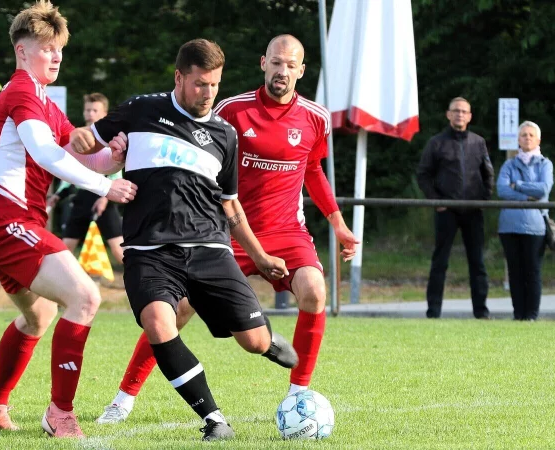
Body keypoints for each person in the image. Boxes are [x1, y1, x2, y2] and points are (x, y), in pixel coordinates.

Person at [94, 34, 359, 426]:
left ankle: (299, 394)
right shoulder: (231, 110)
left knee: (315, 292)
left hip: (286, 229)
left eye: (290, 65)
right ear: (263, 63)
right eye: (276, 62)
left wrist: (338, 224)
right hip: (224, 230)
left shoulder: (315, 118)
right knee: (175, 311)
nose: (282, 71)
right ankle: (124, 397)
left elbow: (314, 170)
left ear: (301, 70)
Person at [69, 38, 299, 441]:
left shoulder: (225, 135)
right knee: (159, 323)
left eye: (214, 84)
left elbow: (230, 205)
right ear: (179, 78)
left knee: (253, 341)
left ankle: (266, 342)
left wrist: (260, 256)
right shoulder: (141, 109)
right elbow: (86, 146)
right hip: (148, 250)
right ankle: (214, 419)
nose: (208, 93)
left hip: (210, 249)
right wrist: (81, 140)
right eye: (199, 84)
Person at [0, 1, 136, 438]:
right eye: (46, 48)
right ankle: (60, 413)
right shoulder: (21, 92)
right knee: (86, 297)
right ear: (21, 51)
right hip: (6, 224)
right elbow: (44, 153)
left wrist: (114, 159)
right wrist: (104, 186)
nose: (56, 56)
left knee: (39, 316)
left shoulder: (44, 101)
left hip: (5, 226)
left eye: (59, 48)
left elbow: (80, 158)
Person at [416, 97, 494, 319]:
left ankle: (481, 312)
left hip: (473, 211)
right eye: (456, 111)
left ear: (469, 116)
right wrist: (436, 201)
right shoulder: (436, 143)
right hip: (446, 210)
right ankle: (433, 312)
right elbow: (423, 175)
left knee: (477, 262)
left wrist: (484, 199)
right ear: (448, 114)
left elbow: (488, 173)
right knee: (440, 262)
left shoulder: (478, 142)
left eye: (464, 111)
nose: (460, 114)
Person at [48, 93, 125, 264]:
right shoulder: (77, 136)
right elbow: (70, 170)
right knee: (65, 249)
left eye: (95, 110)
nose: (90, 113)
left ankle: (141, 278)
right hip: (81, 198)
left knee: (119, 250)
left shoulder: (110, 138)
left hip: (103, 198)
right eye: (88, 110)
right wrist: (58, 195)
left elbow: (116, 172)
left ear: (104, 113)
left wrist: (105, 198)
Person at [496, 121, 553, 320]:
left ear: (538, 140)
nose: (527, 138)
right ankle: (518, 314)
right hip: (509, 226)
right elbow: (502, 190)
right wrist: (527, 196)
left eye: (531, 135)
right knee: (515, 272)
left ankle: (531, 315)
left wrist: (517, 184)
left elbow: (543, 189)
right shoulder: (509, 164)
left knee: (532, 271)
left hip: (535, 227)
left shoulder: (545, 164)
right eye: (523, 135)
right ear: (518, 140)